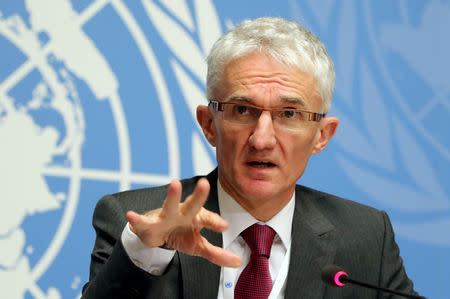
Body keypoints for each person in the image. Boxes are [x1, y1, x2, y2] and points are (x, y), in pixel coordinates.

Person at [81, 17, 419, 298]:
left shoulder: (366, 236)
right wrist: (146, 251)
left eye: (289, 114)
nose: (262, 139)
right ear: (208, 125)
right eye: (242, 110)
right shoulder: (136, 223)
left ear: (322, 135)